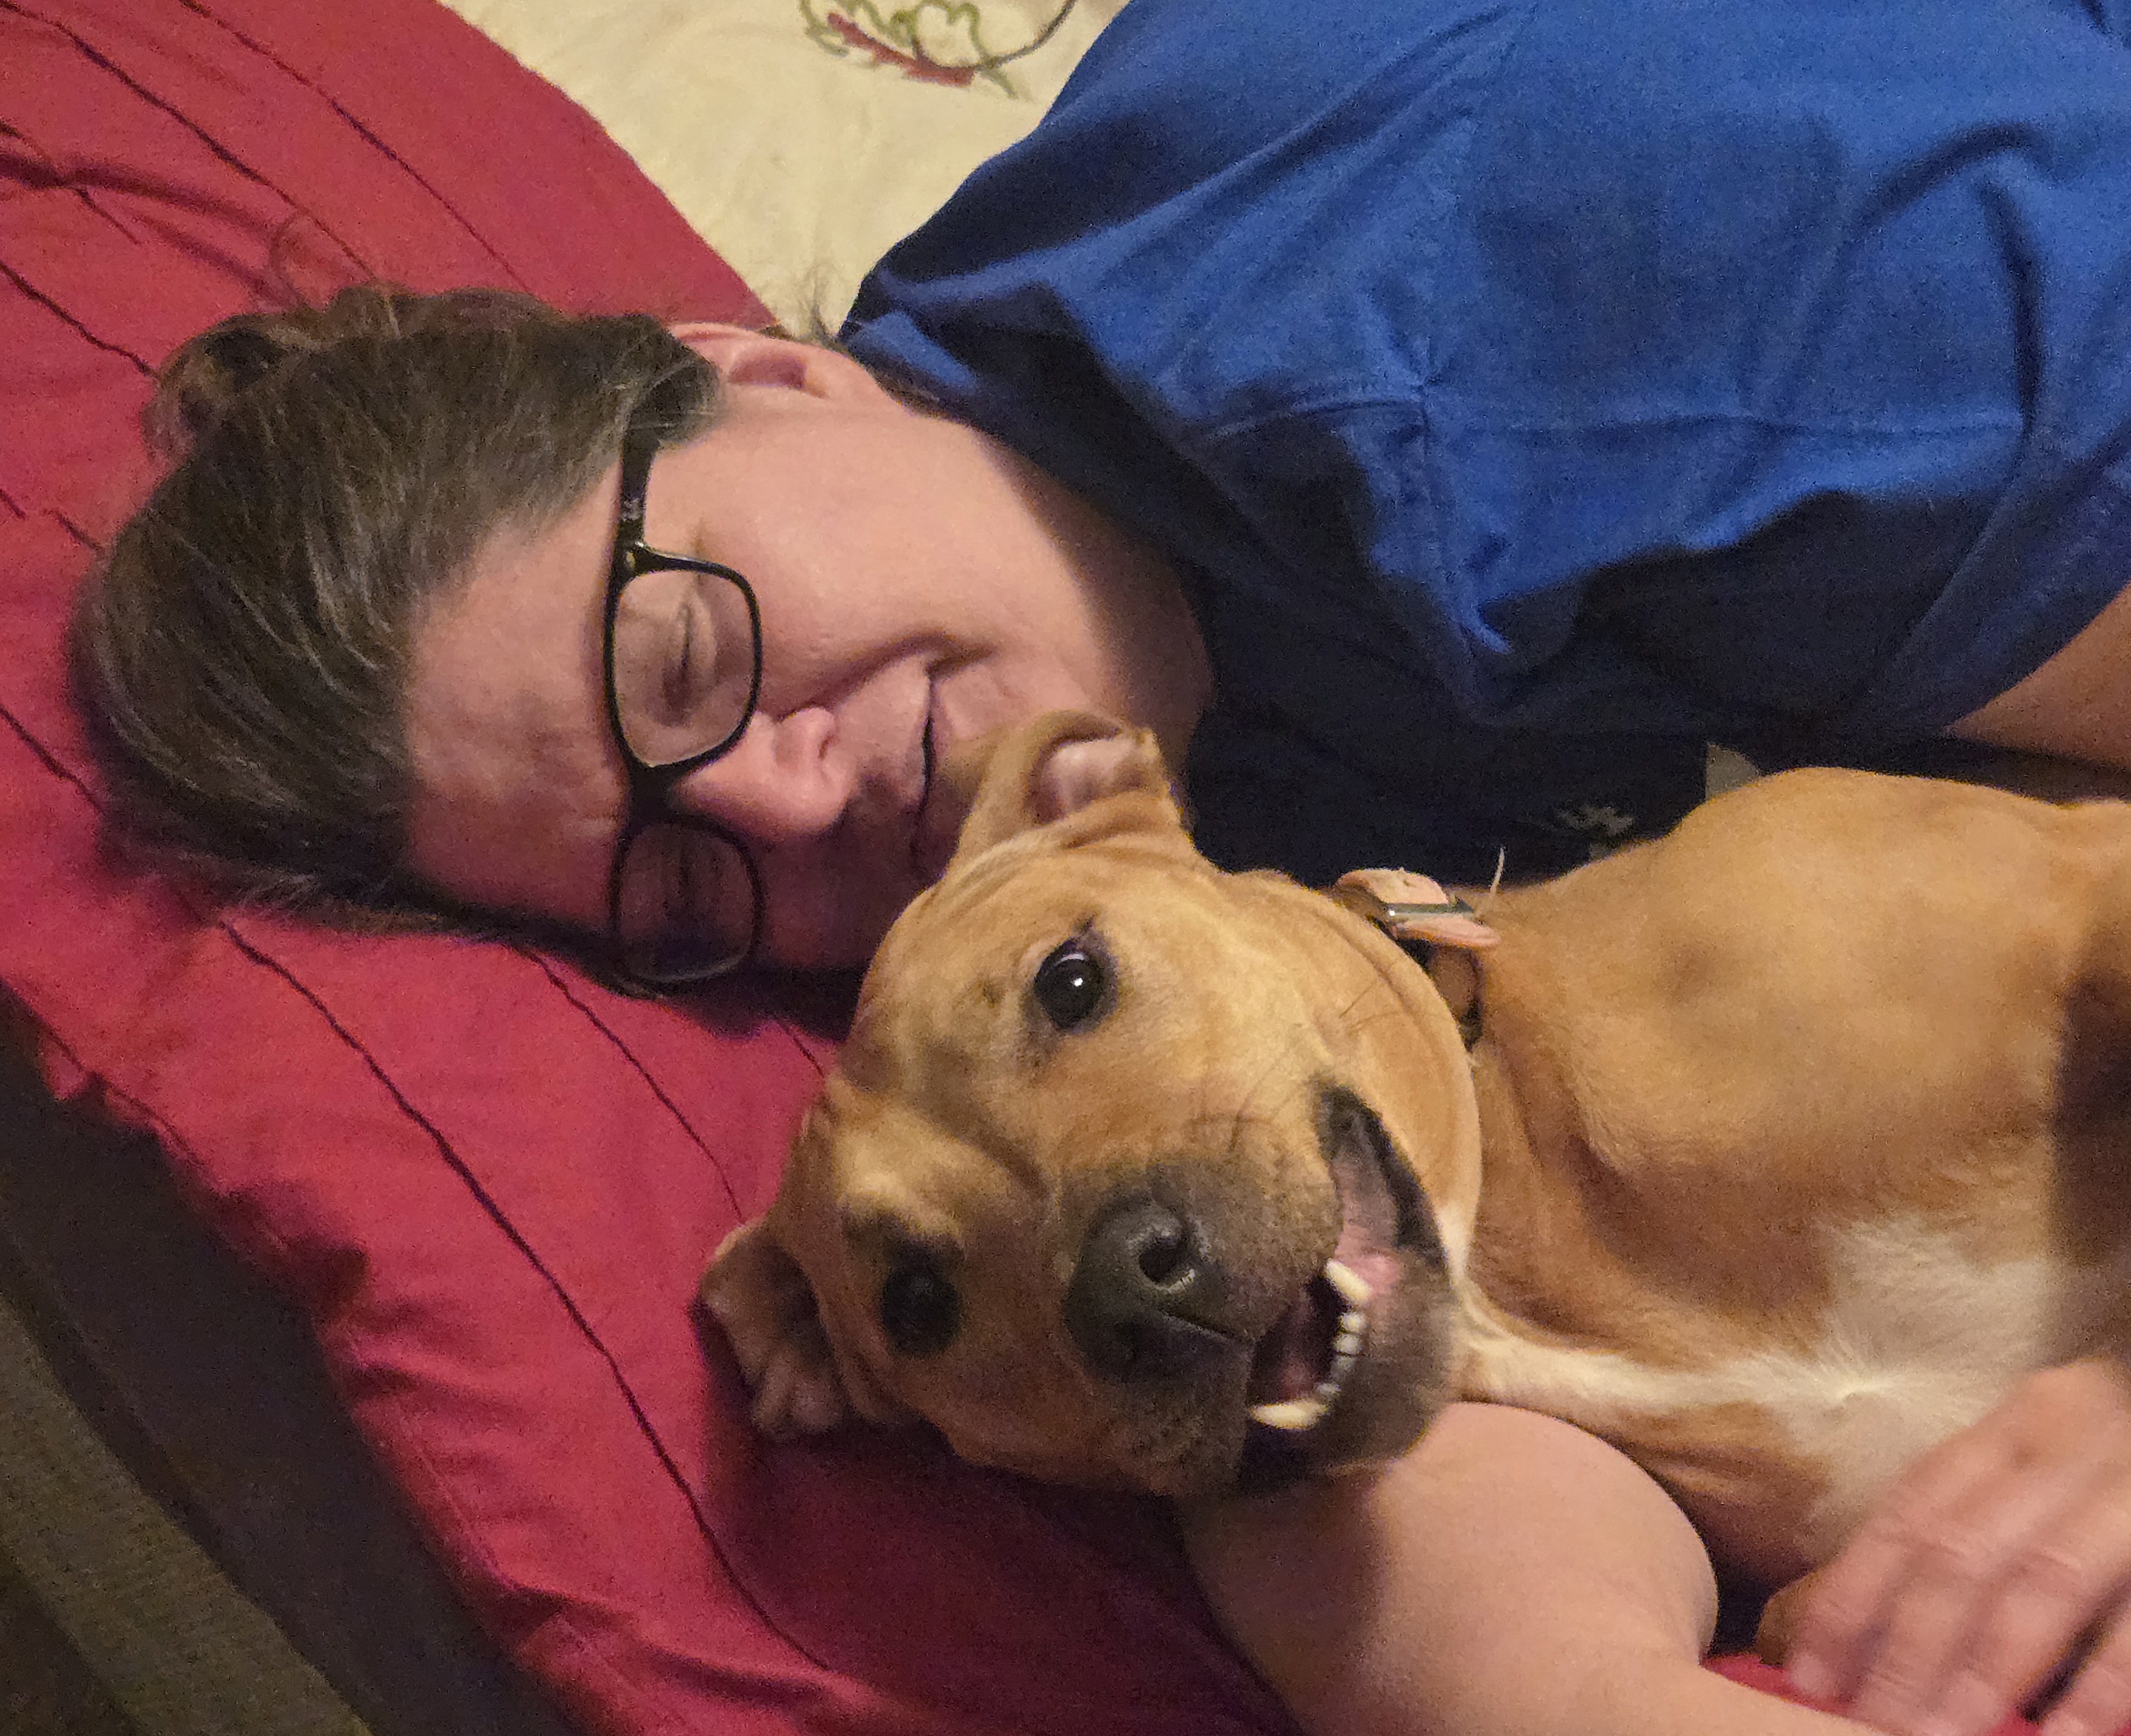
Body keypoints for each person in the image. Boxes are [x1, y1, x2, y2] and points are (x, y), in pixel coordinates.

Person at [64, 0, 2131, 1729]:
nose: (781, 806)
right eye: (683, 889)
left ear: (761, 374)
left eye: (684, 654)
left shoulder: (1525, 275)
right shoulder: (1116, 859)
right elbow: (1384, 1337)